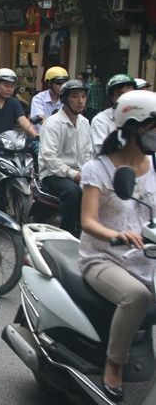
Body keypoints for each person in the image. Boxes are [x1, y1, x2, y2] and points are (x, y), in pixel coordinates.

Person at [79, 90, 156, 402]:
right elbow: (87, 221)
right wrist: (117, 235)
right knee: (137, 295)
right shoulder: (98, 168)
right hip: (103, 257)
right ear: (135, 126)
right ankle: (115, 363)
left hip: (147, 255)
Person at [38, 80, 91, 237]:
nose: (80, 101)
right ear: (65, 99)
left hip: (78, 172)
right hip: (53, 174)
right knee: (73, 192)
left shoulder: (85, 122)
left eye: (83, 96)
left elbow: (88, 152)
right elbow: (49, 157)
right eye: (75, 96)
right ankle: (67, 233)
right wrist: (73, 174)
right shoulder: (53, 123)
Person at [90, 74, 136, 155]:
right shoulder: (100, 120)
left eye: (130, 94)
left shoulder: (140, 118)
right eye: (120, 95)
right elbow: (103, 153)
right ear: (111, 98)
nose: (126, 99)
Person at [30, 66, 69, 131]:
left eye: (65, 83)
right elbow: (40, 119)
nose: (62, 86)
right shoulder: (39, 98)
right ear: (49, 83)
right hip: (40, 136)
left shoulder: (66, 100)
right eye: (58, 83)